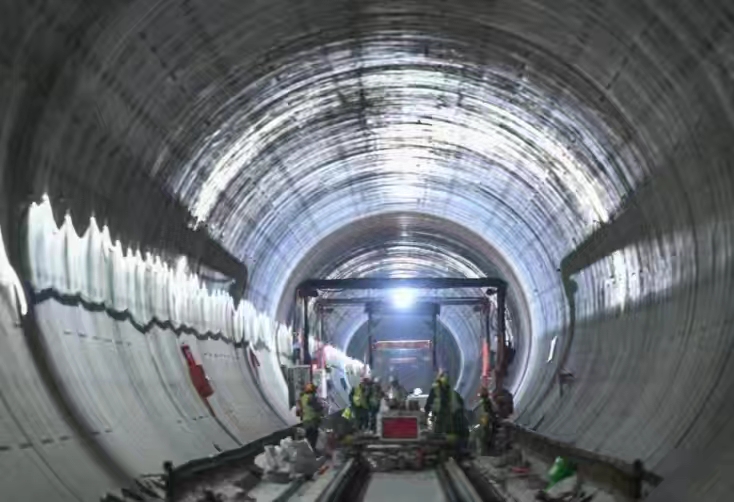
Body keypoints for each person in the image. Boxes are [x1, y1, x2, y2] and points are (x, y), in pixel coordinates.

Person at [300, 382, 324, 451]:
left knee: (307, 437)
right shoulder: (311, 397)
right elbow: (317, 407)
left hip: (306, 420)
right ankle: (312, 451)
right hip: (312, 420)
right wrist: (322, 406)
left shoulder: (303, 397)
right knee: (313, 436)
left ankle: (306, 451)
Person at [476, 386, 497, 454]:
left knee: (485, 434)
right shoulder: (485, 401)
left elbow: (493, 410)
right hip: (486, 419)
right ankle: (484, 450)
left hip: (486, 419)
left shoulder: (486, 401)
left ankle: (484, 450)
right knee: (485, 434)